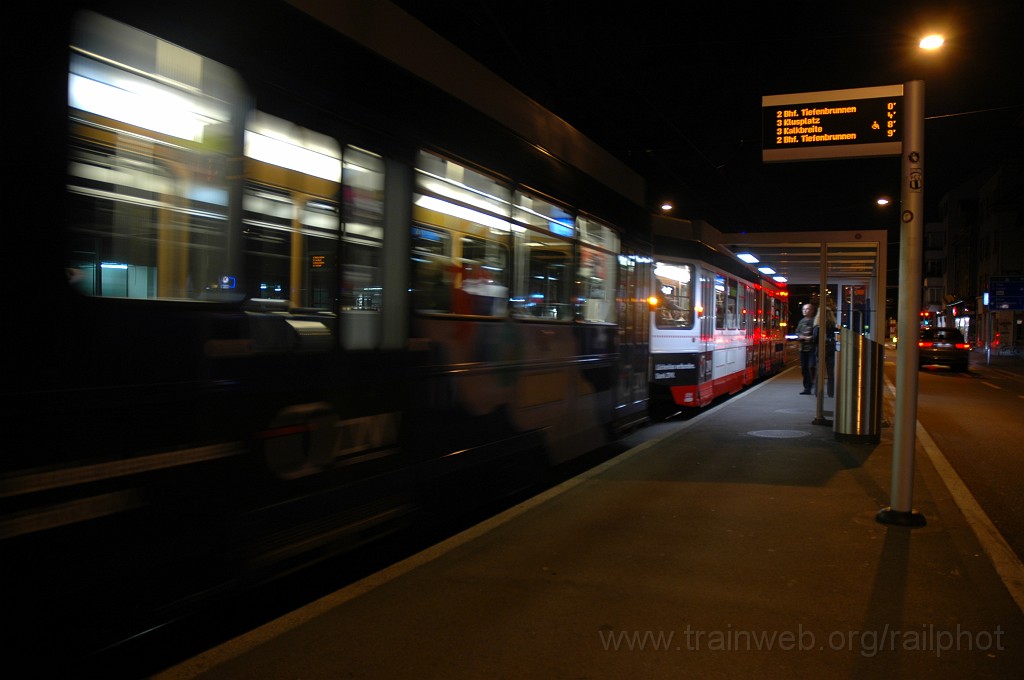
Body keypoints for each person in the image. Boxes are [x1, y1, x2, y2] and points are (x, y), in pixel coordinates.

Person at [812, 305, 837, 397]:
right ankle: (831, 392)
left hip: (820, 350)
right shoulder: (833, 325)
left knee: (819, 372)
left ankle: (818, 392)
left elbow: (814, 338)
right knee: (831, 373)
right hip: (831, 349)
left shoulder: (817, 326)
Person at [796, 302, 816, 394]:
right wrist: (802, 337)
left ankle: (813, 384)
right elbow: (797, 333)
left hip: (812, 349)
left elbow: (818, 335)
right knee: (804, 368)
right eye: (803, 309)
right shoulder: (801, 321)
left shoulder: (815, 321)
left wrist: (811, 338)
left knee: (811, 367)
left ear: (812, 310)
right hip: (802, 349)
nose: (805, 311)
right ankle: (807, 388)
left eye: (807, 309)